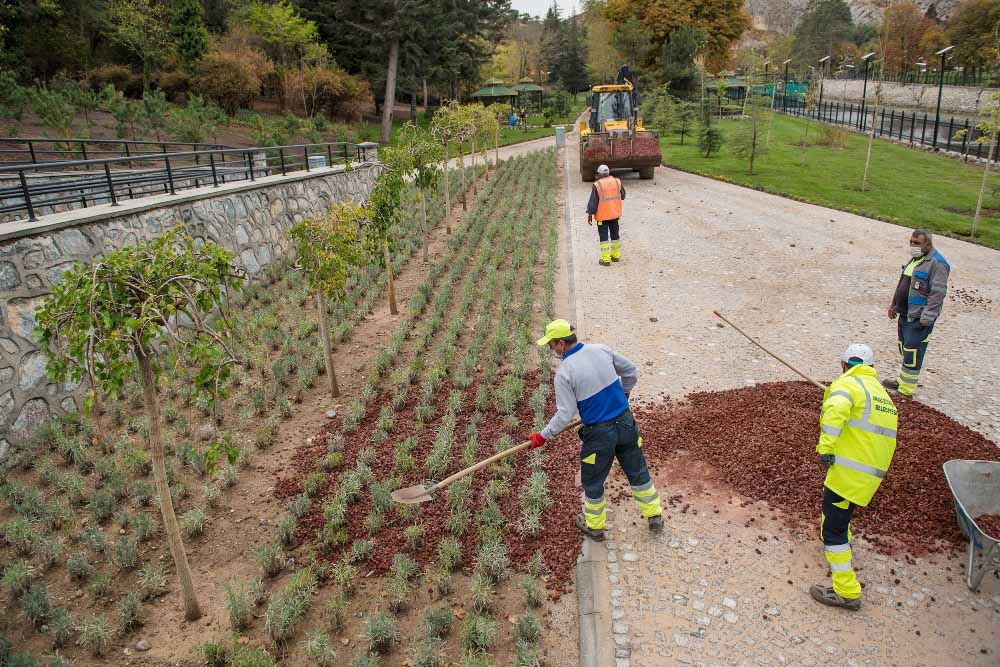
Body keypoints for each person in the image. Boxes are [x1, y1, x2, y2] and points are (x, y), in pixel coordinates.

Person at [528, 320, 663, 541]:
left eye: (551, 345)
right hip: (626, 424)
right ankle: (654, 516)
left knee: (592, 481)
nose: (551, 350)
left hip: (600, 435)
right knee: (638, 471)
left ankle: (595, 527)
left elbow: (565, 414)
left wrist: (542, 436)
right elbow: (631, 371)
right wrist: (625, 394)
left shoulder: (564, 373)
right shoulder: (601, 349)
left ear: (561, 343)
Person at [811, 343, 898, 611]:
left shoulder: (846, 385)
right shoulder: (883, 397)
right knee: (841, 514)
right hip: (870, 476)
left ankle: (847, 591)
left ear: (842, 366)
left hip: (848, 473)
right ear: (872, 368)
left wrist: (825, 447)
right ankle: (835, 539)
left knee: (834, 528)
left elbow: (835, 411)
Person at [884, 229, 951, 398]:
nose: (912, 246)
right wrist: (894, 306)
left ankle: (906, 391)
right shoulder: (915, 260)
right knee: (904, 348)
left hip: (919, 318)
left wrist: (927, 317)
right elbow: (902, 285)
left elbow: (938, 294)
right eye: (911, 242)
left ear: (928, 243)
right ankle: (902, 381)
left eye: (917, 243)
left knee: (913, 352)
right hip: (904, 314)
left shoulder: (938, 264)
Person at [586, 164, 626, 266]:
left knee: (604, 238)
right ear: (608, 173)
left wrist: (590, 214)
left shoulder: (597, 185)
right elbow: (623, 196)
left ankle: (606, 259)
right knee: (615, 236)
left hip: (602, 217)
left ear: (599, 175)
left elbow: (593, 202)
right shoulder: (617, 181)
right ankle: (616, 256)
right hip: (614, 215)